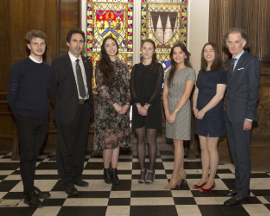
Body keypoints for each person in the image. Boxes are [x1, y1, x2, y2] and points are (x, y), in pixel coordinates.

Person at [7, 30, 54, 207]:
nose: (39, 47)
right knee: (27, 156)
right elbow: (11, 96)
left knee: (34, 154)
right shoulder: (19, 67)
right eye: (35, 43)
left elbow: (46, 93)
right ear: (29, 46)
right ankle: (28, 193)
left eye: (42, 43)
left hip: (42, 118)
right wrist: (20, 116)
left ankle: (31, 186)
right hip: (25, 117)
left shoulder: (49, 70)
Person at [49, 29, 94, 195]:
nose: (78, 44)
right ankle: (66, 181)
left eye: (81, 41)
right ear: (68, 43)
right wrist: (61, 106)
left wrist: (90, 109)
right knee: (66, 148)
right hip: (66, 112)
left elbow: (88, 87)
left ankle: (76, 176)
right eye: (75, 41)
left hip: (83, 110)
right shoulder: (59, 62)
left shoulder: (87, 62)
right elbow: (52, 90)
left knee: (80, 146)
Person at [223, 28, 260, 206]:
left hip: (242, 116)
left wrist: (249, 117)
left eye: (236, 42)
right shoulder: (231, 62)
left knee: (242, 155)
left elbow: (253, 91)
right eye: (229, 42)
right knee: (235, 155)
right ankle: (240, 186)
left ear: (243, 43)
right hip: (230, 115)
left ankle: (243, 193)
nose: (232, 45)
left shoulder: (251, 61)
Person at [94, 36, 130, 185]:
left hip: (122, 109)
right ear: (104, 49)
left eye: (113, 44)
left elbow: (129, 87)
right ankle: (106, 170)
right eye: (107, 46)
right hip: (106, 110)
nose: (111, 48)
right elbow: (101, 89)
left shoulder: (123, 65)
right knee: (108, 142)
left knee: (117, 142)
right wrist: (114, 104)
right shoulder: (100, 65)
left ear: (117, 46)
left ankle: (114, 171)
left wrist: (127, 104)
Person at [192, 42, 227, 193]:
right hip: (200, 113)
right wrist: (194, 107)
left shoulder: (220, 72)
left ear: (216, 53)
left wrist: (203, 110)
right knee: (203, 147)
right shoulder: (202, 71)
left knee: (212, 147)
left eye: (211, 50)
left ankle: (211, 179)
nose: (208, 53)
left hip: (213, 114)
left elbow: (219, 96)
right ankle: (204, 177)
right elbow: (196, 90)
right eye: (205, 50)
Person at [130, 39, 164, 184]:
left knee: (151, 140)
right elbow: (132, 87)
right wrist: (138, 105)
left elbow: (157, 89)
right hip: (137, 107)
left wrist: (147, 105)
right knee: (140, 139)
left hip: (153, 107)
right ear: (141, 50)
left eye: (150, 48)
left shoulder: (158, 67)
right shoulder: (136, 68)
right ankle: (142, 170)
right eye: (144, 48)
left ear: (154, 51)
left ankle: (151, 170)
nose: (147, 51)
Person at [163, 43, 195, 189]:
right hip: (170, 108)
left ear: (185, 55)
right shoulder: (169, 72)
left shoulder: (190, 71)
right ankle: (181, 171)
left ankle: (175, 176)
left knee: (178, 143)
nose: (177, 55)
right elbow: (164, 94)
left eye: (180, 52)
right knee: (176, 144)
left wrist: (174, 112)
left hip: (181, 109)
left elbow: (187, 94)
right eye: (175, 53)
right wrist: (167, 112)